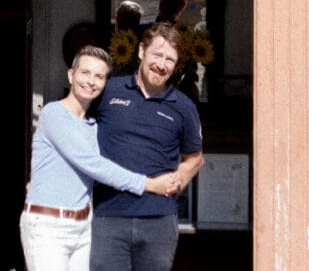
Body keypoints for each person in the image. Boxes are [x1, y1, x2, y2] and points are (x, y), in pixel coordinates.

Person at [21, 45, 178, 271]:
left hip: (83, 226)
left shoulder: (93, 125)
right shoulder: (53, 114)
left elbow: (115, 155)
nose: (91, 81)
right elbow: (93, 164)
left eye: (99, 76)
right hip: (48, 227)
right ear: (71, 75)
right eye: (85, 73)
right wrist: (150, 184)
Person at [91, 23, 205, 271]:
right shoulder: (108, 91)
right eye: (158, 55)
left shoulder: (183, 107)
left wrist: (178, 179)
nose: (162, 65)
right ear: (142, 51)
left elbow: (195, 158)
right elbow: (72, 127)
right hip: (107, 216)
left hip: (159, 220)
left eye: (170, 60)